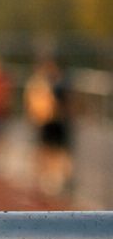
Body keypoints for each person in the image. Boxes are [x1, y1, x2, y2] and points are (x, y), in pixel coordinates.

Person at [24, 56, 73, 196]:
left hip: (57, 121)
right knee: (44, 149)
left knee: (57, 150)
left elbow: (67, 102)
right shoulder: (38, 83)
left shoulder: (60, 84)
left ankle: (56, 178)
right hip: (44, 121)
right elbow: (32, 101)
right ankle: (42, 178)